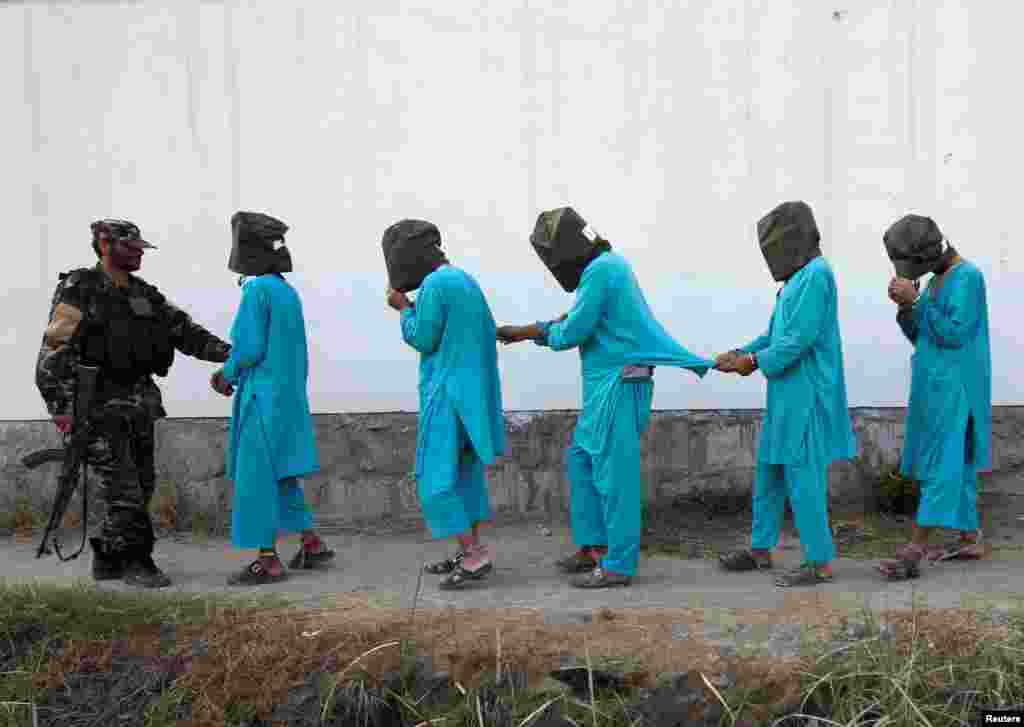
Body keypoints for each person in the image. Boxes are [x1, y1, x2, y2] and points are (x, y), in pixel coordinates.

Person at [497, 207, 713, 588]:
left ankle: (619, 565)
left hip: (620, 385)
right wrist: (529, 331)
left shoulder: (601, 271)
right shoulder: (607, 267)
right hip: (605, 388)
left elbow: (572, 332)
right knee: (581, 461)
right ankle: (594, 546)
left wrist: (532, 333)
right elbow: (575, 318)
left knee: (615, 477)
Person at [35, 219, 232, 588]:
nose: (139, 253)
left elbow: (186, 332)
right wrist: (60, 407)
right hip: (94, 407)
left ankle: (109, 555)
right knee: (123, 489)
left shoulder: (144, 294)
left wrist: (233, 355)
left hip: (138, 405)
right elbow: (54, 348)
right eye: (131, 247)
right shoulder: (80, 287)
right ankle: (137, 561)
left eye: (140, 247)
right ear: (105, 245)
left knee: (142, 484)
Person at [716, 201, 857, 587]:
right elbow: (774, 335)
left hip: (807, 394)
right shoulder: (795, 281)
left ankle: (819, 561)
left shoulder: (816, 275)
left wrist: (751, 361)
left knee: (803, 478)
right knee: (770, 472)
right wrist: (741, 352)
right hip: (785, 395)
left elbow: (797, 340)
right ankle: (760, 549)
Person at [210, 211, 335, 586]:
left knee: (256, 478)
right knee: (282, 476)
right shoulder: (286, 291)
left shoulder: (257, 290)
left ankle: (267, 559)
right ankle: (311, 543)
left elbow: (248, 348)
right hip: (288, 398)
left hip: (262, 400)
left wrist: (225, 374)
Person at [383, 219, 505, 590]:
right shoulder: (464, 280)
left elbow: (423, 337)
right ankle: (469, 549)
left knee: (434, 478)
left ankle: (473, 555)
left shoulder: (435, 284)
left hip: (446, 395)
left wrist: (403, 308)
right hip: (473, 396)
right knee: (465, 476)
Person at [877, 214, 992, 580]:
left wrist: (918, 302)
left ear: (928, 253)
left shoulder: (968, 277)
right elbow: (923, 336)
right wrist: (905, 307)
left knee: (942, 466)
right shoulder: (936, 281)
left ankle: (915, 549)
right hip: (935, 385)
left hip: (957, 386)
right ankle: (970, 538)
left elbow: (955, 334)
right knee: (959, 463)